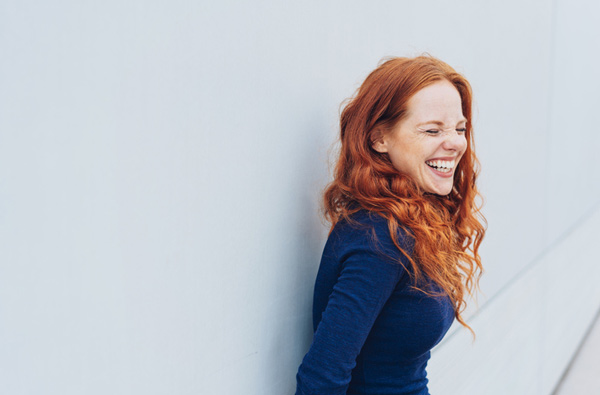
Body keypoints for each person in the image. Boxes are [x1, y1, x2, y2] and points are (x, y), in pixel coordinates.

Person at [295, 55, 486, 395]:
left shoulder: (413, 221)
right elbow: (321, 376)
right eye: (432, 129)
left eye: (459, 128)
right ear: (379, 139)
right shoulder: (381, 238)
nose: (456, 142)